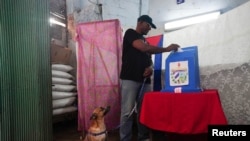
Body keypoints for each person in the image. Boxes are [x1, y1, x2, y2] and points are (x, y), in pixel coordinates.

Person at [119, 15, 180, 141]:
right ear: (140, 22)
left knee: (143, 112)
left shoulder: (145, 40)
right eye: (148, 25)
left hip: (144, 81)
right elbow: (143, 48)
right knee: (127, 113)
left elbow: (149, 59)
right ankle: (125, 139)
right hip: (130, 79)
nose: (149, 29)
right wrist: (167, 49)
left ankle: (143, 137)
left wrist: (151, 68)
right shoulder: (131, 33)